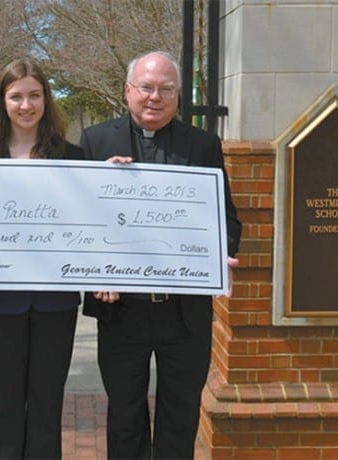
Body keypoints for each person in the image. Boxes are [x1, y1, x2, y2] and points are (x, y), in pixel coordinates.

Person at [79, 51, 242, 459]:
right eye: (147, 87)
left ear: (178, 95)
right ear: (128, 90)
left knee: (180, 417)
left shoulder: (203, 144)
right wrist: (96, 271)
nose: (155, 97)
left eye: (166, 89)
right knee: (124, 417)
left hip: (183, 313)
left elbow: (227, 220)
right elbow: (77, 222)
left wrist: (219, 254)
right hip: (121, 311)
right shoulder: (96, 142)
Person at [0, 58, 83, 459]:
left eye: (35, 95)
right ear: (2, 102)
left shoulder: (73, 158)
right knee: (4, 404)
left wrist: (114, 178)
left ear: (46, 99)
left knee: (47, 405)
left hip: (55, 302)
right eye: (16, 96)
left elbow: (91, 222)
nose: (26, 105)